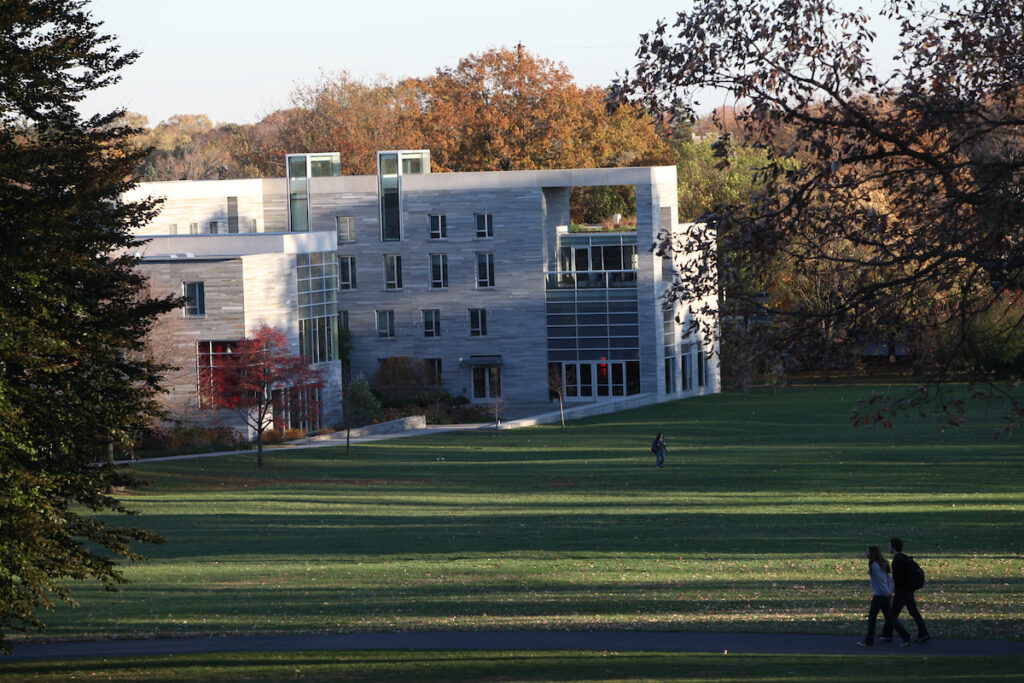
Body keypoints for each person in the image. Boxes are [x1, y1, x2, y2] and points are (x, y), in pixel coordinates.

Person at [857, 545, 911, 647]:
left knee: (873, 618)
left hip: (880, 595)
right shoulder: (882, 564)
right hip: (885, 594)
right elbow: (889, 579)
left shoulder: (875, 566)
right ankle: (905, 636)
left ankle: (869, 640)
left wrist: (885, 592)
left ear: (872, 554)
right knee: (890, 618)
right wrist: (890, 591)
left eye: (867, 552)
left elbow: (881, 581)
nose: (866, 554)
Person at [881, 537, 931, 643]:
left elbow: (898, 578)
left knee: (892, 613)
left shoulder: (897, 560)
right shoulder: (904, 558)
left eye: (889, 545)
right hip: (908, 590)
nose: (888, 547)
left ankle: (887, 634)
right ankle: (924, 633)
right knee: (913, 612)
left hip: (901, 591)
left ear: (893, 547)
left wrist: (892, 588)